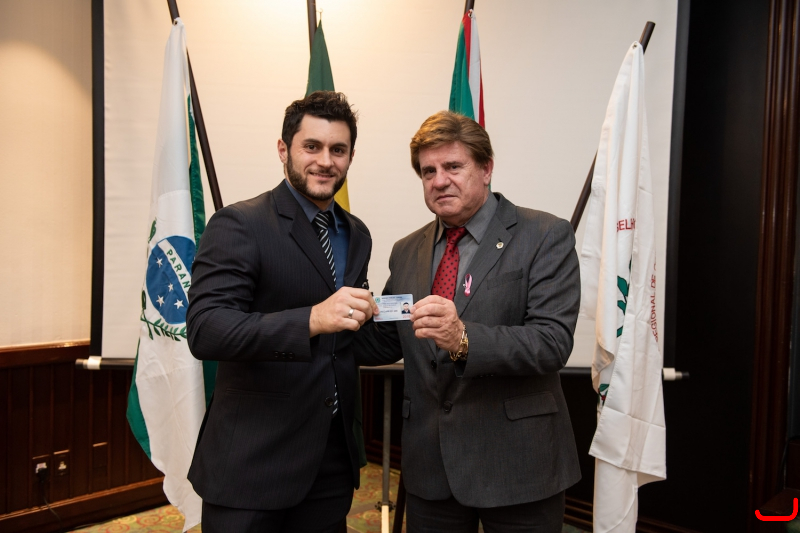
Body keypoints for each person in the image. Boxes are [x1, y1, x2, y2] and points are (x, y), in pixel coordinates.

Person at [355, 111, 581, 532]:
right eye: (428, 172)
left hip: (518, 465)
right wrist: (330, 317)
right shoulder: (407, 250)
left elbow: (551, 342)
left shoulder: (545, 234)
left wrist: (463, 339)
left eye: (453, 167)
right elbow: (389, 340)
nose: (439, 181)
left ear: (486, 168)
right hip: (430, 467)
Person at [186, 91, 377, 533]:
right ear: (283, 149)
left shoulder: (357, 234)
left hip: (330, 461)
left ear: (350, 157)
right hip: (253, 464)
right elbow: (206, 329)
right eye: (312, 146)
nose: (325, 161)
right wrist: (311, 319)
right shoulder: (240, 223)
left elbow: (348, 336)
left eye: (338, 150)